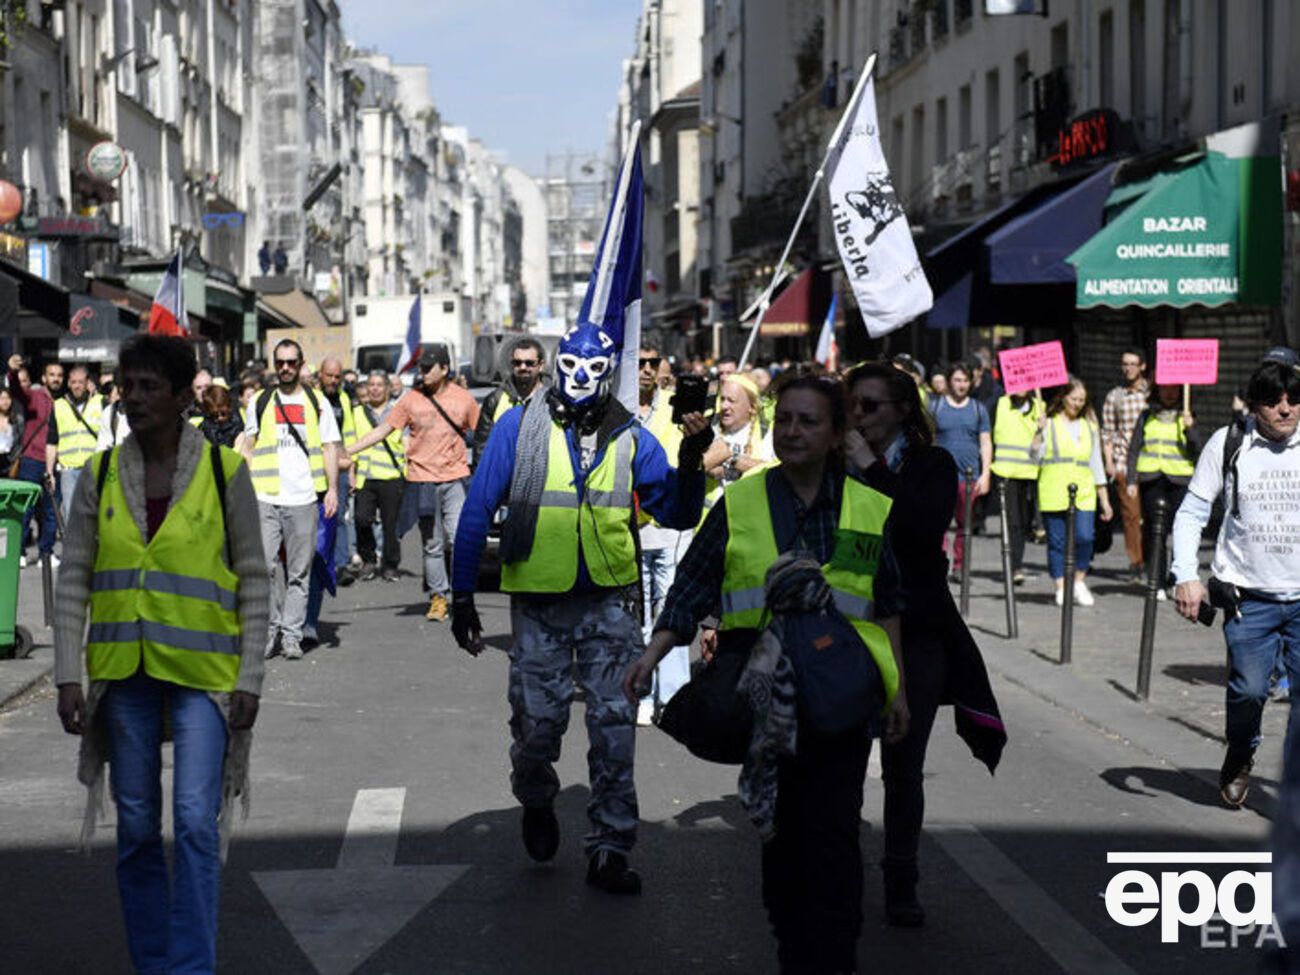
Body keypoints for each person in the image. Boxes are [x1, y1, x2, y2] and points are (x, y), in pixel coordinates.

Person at [625, 373, 908, 971]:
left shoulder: (867, 505)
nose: (794, 431)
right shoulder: (742, 502)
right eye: (786, 421)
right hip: (769, 700)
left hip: (843, 697)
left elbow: (887, 605)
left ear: (835, 434)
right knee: (783, 837)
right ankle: (794, 948)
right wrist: (653, 654)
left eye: (809, 421)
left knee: (834, 835)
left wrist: (898, 690)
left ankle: (834, 956)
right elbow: (691, 585)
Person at [450, 322, 708, 896]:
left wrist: (691, 460)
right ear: (554, 365)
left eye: (594, 367)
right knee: (538, 727)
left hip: (611, 604)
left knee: (615, 726)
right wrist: (462, 594)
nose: (581, 375)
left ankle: (611, 847)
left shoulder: (631, 436)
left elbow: (677, 512)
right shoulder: (519, 426)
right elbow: (476, 510)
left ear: (609, 371)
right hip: (539, 606)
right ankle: (537, 797)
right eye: (571, 364)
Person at [53, 333, 268, 974]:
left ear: (182, 397)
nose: (134, 397)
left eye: (150, 386)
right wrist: (68, 674)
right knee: (139, 827)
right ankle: (154, 962)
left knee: (198, 824)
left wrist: (251, 677)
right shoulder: (96, 474)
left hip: (205, 677)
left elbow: (255, 577)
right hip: (124, 675)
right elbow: (74, 579)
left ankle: (190, 967)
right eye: (128, 384)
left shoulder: (225, 473)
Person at [843, 362, 1007, 927]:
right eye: (852, 406)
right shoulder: (831, 465)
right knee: (835, 761)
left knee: (902, 762)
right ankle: (835, 872)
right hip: (847, 629)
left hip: (917, 629)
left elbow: (917, 527)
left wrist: (868, 469)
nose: (858, 417)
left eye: (871, 407)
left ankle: (900, 880)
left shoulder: (930, 464)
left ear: (903, 412)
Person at [1172, 360, 1300, 809]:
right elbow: (1192, 511)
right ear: (1254, 404)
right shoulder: (1229, 442)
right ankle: (1241, 752)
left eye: (1293, 400)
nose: (1285, 409)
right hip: (1250, 600)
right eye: (1273, 401)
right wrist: (1185, 574)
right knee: (1248, 692)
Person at [347, 345, 479, 622]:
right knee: (431, 544)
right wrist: (351, 450)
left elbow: (481, 433)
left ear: (444, 369)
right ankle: (439, 598)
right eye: (421, 366)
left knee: (459, 540)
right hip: (422, 482)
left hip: (455, 480)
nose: (423, 371)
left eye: (428, 367)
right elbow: (384, 429)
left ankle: (462, 596)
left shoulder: (463, 399)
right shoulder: (410, 400)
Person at [242, 338, 340, 660]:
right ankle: (271, 631)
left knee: (299, 571)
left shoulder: (317, 402)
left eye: (291, 362)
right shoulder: (259, 400)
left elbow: (329, 448)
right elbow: (248, 446)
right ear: (274, 364)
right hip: (265, 495)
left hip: (303, 497)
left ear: (300, 364)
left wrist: (333, 490)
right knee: (266, 567)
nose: (285, 368)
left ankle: (291, 635)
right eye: (280, 362)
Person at [634, 344, 693, 726]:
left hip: (670, 527)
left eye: (652, 362)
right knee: (637, 615)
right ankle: (639, 690)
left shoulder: (677, 406)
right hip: (630, 529)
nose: (645, 369)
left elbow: (710, 451)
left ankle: (671, 697)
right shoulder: (615, 406)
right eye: (638, 363)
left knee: (671, 611)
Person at [1032, 376, 1113, 607]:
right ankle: (1060, 585)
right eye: (1074, 398)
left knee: (1085, 537)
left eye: (1082, 400)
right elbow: (1035, 457)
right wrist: (1038, 434)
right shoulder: (1049, 423)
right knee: (1057, 542)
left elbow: (1096, 464)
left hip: (1084, 491)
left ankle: (1078, 580)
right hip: (1054, 489)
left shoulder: (1090, 427)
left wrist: (1104, 500)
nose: (1077, 403)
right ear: (1063, 397)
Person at [1125, 383, 1203, 596]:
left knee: (1180, 532)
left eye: (1173, 389)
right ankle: (1157, 580)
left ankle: (1178, 578)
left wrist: (1190, 428)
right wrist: (1131, 479)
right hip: (1152, 479)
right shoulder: (1146, 415)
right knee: (1155, 531)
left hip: (1179, 480)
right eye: (1165, 389)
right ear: (1157, 391)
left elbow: (1196, 449)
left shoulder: (1187, 414)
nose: (1169, 393)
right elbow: (1134, 448)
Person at [303, 356, 357, 642]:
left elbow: (345, 437)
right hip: (302, 486)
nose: (334, 381)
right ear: (319, 375)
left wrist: (350, 467)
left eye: (338, 377)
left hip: (334, 480)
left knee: (321, 550)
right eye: (330, 376)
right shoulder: (309, 401)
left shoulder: (344, 400)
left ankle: (309, 621)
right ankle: (292, 621)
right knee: (298, 558)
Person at [929, 362, 991, 577]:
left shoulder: (977, 409)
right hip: (941, 477)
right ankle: (939, 563)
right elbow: (926, 439)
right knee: (939, 524)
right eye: (957, 380)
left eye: (965, 380)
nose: (961, 385)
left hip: (969, 477)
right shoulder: (935, 407)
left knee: (965, 526)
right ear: (949, 381)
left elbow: (985, 443)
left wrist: (986, 474)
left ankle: (959, 567)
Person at [1101, 348, 1150, 582]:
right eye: (1124, 363)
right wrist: (1109, 462)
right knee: (1131, 516)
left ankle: (1154, 559)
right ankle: (1136, 562)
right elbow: (1108, 432)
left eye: (1132, 363)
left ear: (1143, 366)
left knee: (1150, 515)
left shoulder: (1152, 393)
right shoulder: (1115, 396)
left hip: (1149, 461)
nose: (1127, 368)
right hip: (1122, 463)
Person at [6, 355, 59, 567]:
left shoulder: (62, 402)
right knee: (25, 510)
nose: (56, 379)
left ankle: (46, 552)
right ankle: (19, 552)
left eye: (59, 375)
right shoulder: (35, 396)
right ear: (44, 378)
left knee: (51, 510)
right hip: (31, 461)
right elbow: (17, 390)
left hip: (52, 462)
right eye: (52, 375)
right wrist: (11, 371)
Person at [351, 371, 405, 581]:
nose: (374, 389)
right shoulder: (356, 413)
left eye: (379, 385)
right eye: (371, 385)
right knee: (362, 519)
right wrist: (352, 473)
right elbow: (350, 443)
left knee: (391, 525)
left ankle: (390, 565)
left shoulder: (398, 413)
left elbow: (406, 443)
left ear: (388, 389)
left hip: (392, 476)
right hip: (365, 476)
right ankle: (369, 560)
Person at [990, 391, 1045, 583]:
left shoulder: (1040, 406)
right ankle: (1014, 566)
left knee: (1024, 523)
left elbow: (1044, 443)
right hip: (1006, 473)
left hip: (1030, 474)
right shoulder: (1001, 403)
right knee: (1012, 523)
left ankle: (1015, 562)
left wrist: (1041, 430)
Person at [474, 337, 547, 464]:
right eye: (517, 363)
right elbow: (481, 448)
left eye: (529, 363)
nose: (523, 367)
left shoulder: (553, 399)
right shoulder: (495, 400)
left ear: (541, 366)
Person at [53, 365, 103, 516]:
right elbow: (51, 441)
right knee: (69, 512)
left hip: (93, 468)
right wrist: (49, 471)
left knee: (94, 513)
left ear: (88, 383)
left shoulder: (101, 402)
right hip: (68, 470)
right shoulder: (58, 405)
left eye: (80, 382)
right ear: (68, 383)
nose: (76, 386)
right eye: (73, 382)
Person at [0, 385, 20, 470]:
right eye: (2, 398)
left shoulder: (16, 420)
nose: (5, 402)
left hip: (9, 462)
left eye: (8, 398)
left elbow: (19, 444)